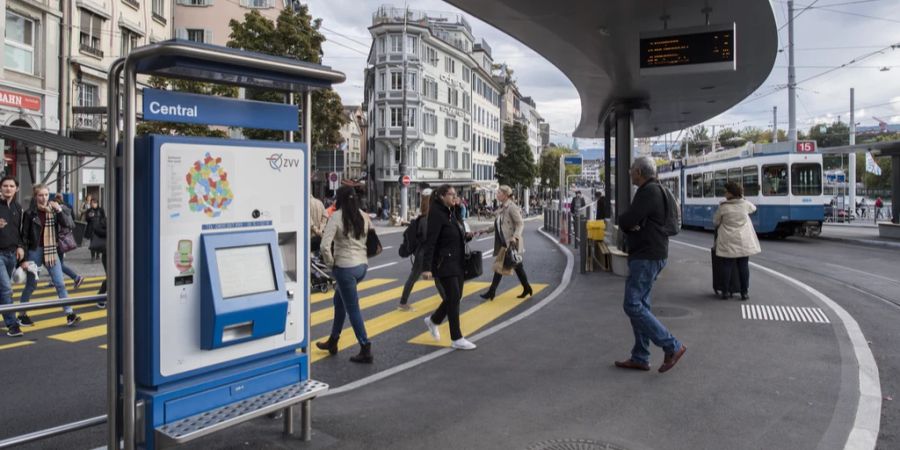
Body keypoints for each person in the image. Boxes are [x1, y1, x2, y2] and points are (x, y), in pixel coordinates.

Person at [614, 157, 686, 373]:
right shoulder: (659, 190)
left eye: (631, 169)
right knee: (642, 305)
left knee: (632, 305)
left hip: (646, 255)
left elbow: (627, 220)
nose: (628, 172)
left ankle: (671, 345)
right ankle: (640, 356)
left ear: (639, 172)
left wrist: (629, 224)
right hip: (654, 253)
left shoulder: (647, 192)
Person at [315, 185, 374, 363]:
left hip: (345, 268)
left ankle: (365, 347)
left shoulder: (336, 216)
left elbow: (324, 246)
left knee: (352, 308)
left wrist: (332, 265)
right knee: (338, 301)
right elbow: (372, 240)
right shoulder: (363, 215)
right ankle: (333, 340)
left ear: (338, 199)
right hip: (362, 266)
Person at [16, 184, 82, 328]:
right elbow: (25, 236)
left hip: (52, 251)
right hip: (35, 251)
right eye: (40, 195)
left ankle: (70, 314)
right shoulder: (29, 214)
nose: (44, 198)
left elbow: (69, 225)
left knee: (60, 283)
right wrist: (24, 259)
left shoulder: (55, 210)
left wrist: (59, 210)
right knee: (31, 285)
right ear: (35, 196)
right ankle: (21, 314)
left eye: (46, 195)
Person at [420, 185, 477, 350]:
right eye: (451, 195)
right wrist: (426, 267)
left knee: (455, 298)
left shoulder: (452, 212)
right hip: (444, 263)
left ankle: (433, 320)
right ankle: (457, 337)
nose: (455, 197)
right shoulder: (437, 214)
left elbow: (457, 233)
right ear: (442, 196)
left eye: (455, 194)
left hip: (458, 261)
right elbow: (430, 242)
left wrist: (467, 235)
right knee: (453, 298)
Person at [479, 185, 532, 301]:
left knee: (499, 267)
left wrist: (515, 237)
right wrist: (485, 230)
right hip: (504, 242)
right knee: (516, 266)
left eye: (499, 193)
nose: (497, 194)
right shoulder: (503, 207)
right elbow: (498, 224)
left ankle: (491, 292)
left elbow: (520, 224)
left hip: (510, 242)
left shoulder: (511, 207)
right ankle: (527, 287)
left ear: (505, 195)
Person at [398, 190, 447, 311]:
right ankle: (403, 303)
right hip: (426, 253)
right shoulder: (427, 219)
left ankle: (447, 302)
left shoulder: (423, 217)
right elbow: (428, 237)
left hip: (423, 253)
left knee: (420, 278)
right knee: (433, 278)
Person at [713, 182, 761, 301]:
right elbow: (754, 209)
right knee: (743, 266)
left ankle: (725, 291)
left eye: (726, 191)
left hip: (728, 240)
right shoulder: (745, 204)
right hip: (743, 240)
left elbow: (715, 222)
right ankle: (744, 292)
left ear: (730, 193)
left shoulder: (723, 207)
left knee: (727, 266)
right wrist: (743, 198)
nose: (724, 193)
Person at [0, 176, 25, 337]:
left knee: (3, 290)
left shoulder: (18, 208)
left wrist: (21, 247)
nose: (8, 188)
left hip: (12, 255)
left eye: (11, 186)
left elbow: (21, 232)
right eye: (5, 186)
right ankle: (12, 324)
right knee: (7, 289)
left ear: (17, 189)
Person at [51, 194, 85, 289]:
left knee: (57, 264)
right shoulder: (67, 209)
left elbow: (58, 226)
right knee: (58, 263)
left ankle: (76, 277)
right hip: (63, 239)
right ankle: (57, 280)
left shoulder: (58, 212)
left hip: (58, 240)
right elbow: (72, 221)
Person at [84, 197, 105, 262]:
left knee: (98, 242)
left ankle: (98, 255)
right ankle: (92, 256)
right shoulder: (89, 210)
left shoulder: (101, 210)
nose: (92, 205)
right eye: (91, 203)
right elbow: (86, 219)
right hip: (92, 228)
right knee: (92, 243)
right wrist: (89, 216)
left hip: (99, 228)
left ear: (96, 203)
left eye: (93, 203)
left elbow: (103, 218)